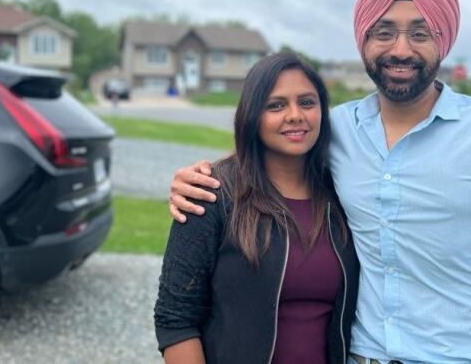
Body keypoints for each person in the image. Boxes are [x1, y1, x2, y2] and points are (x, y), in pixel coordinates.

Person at [168, 0, 471, 364]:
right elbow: (264, 152)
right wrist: (198, 179)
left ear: (442, 42)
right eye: (385, 32)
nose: (401, 49)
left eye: (420, 33)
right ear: (363, 41)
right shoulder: (335, 130)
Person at [154, 52, 360, 363]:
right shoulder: (211, 194)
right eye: (276, 105)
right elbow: (176, 320)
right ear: (252, 114)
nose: (295, 115)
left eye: (307, 102)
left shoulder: (343, 194)